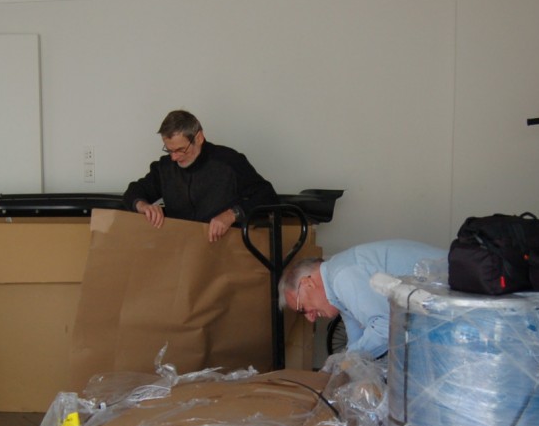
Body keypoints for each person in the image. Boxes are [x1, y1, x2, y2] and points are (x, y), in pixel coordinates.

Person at [123, 110, 279, 242]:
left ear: (198, 138)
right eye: (169, 150)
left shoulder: (229, 161)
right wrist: (143, 206)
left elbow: (267, 196)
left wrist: (232, 214)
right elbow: (133, 192)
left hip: (225, 250)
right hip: (180, 250)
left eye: (180, 150)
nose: (174, 158)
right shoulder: (165, 168)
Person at [278, 240, 446, 359]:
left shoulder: (342, 277)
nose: (310, 318)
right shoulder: (335, 285)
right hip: (437, 308)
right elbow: (357, 339)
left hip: (449, 299)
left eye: (302, 309)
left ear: (307, 283)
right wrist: (346, 363)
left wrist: (346, 361)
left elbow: (385, 328)